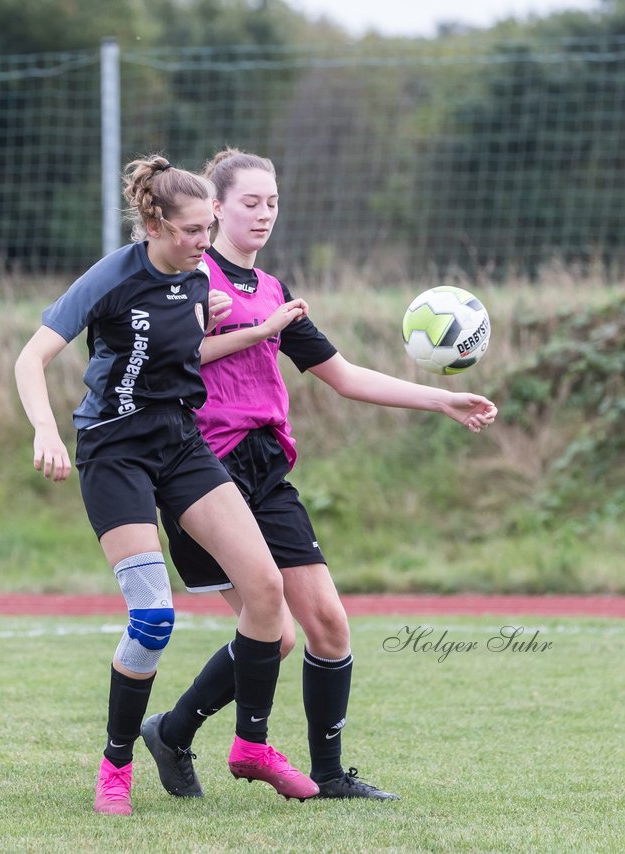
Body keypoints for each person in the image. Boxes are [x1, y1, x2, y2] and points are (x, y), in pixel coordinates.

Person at [139, 148, 498, 802]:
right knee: (272, 635)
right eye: (250, 202)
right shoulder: (189, 283)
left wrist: (440, 399)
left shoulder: (273, 292)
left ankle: (323, 775)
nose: (264, 213)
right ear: (214, 208)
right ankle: (181, 732)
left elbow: (346, 376)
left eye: (273, 202)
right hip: (203, 474)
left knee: (328, 625)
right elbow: (165, 352)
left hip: (266, 472)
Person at [14, 154, 320, 816]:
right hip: (115, 453)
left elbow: (182, 351)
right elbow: (31, 357)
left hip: (180, 446)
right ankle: (116, 765)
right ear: (154, 225)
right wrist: (44, 429)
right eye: (190, 232)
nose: (204, 244)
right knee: (152, 621)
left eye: (209, 229)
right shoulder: (113, 278)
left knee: (267, 594)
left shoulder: (198, 278)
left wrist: (234, 324)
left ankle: (252, 747)